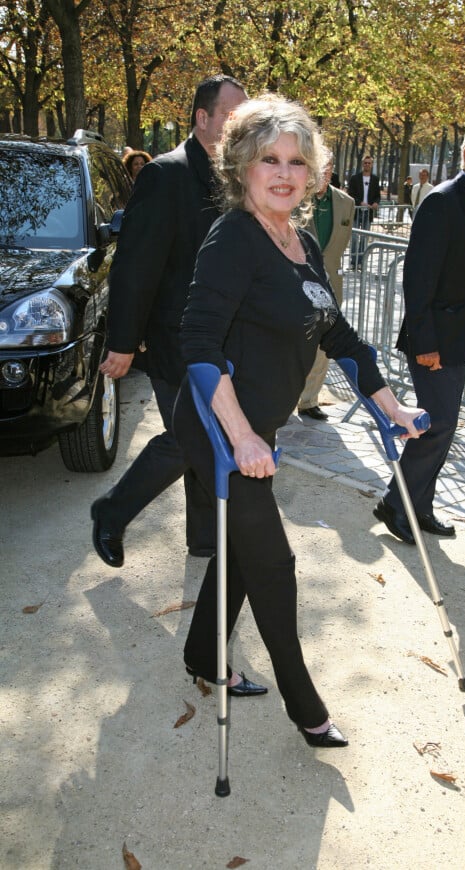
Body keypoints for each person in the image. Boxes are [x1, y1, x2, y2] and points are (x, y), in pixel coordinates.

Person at [172, 94, 427, 746]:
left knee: (239, 549)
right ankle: (305, 708)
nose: (284, 173)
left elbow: (339, 335)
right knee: (273, 564)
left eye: (295, 160)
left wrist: (394, 409)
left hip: (258, 431)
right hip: (217, 428)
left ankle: (203, 654)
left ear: (312, 170)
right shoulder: (234, 236)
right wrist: (243, 435)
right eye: (268, 160)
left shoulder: (303, 241)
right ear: (241, 167)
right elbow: (197, 344)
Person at [90, 74, 247, 569]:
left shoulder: (235, 178)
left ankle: (205, 537)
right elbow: (135, 268)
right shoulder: (165, 175)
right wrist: (121, 342)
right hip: (175, 341)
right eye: (231, 117)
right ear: (203, 119)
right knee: (192, 438)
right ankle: (111, 512)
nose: (241, 126)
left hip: (222, 339)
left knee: (212, 434)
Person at [374, 113, 465, 545]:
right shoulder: (443, 200)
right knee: (436, 426)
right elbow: (417, 280)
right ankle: (395, 503)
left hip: (458, 336)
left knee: (444, 426)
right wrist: (426, 343)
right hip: (434, 338)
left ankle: (419, 507)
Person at [297, 150, 355, 420]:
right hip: (296, 283)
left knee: (323, 347)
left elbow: (340, 245)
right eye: (322, 165)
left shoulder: (346, 203)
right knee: (294, 342)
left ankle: (309, 400)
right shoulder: (295, 196)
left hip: (331, 285)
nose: (326, 171)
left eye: (330, 166)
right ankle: (286, 396)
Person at [347, 155, 381, 268]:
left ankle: (361, 261)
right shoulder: (355, 178)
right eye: (365, 163)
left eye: (369, 163)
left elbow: (377, 195)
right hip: (357, 211)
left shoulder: (375, 179)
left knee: (364, 237)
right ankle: (353, 261)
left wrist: (376, 202)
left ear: (372, 165)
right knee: (355, 237)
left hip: (368, 212)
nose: (367, 165)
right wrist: (360, 202)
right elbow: (350, 194)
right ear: (362, 164)